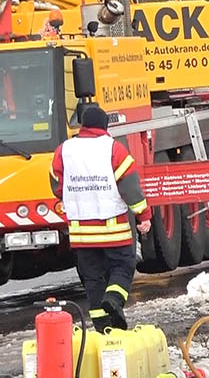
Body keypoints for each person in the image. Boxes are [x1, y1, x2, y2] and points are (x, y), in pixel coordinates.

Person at [49, 106, 151, 332]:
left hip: (82, 233)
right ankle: (114, 300)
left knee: (93, 279)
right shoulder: (114, 149)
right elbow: (130, 189)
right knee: (123, 267)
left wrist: (77, 198)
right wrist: (144, 215)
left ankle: (101, 324)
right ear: (105, 125)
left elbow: (57, 184)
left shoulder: (64, 150)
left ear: (83, 125)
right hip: (114, 230)